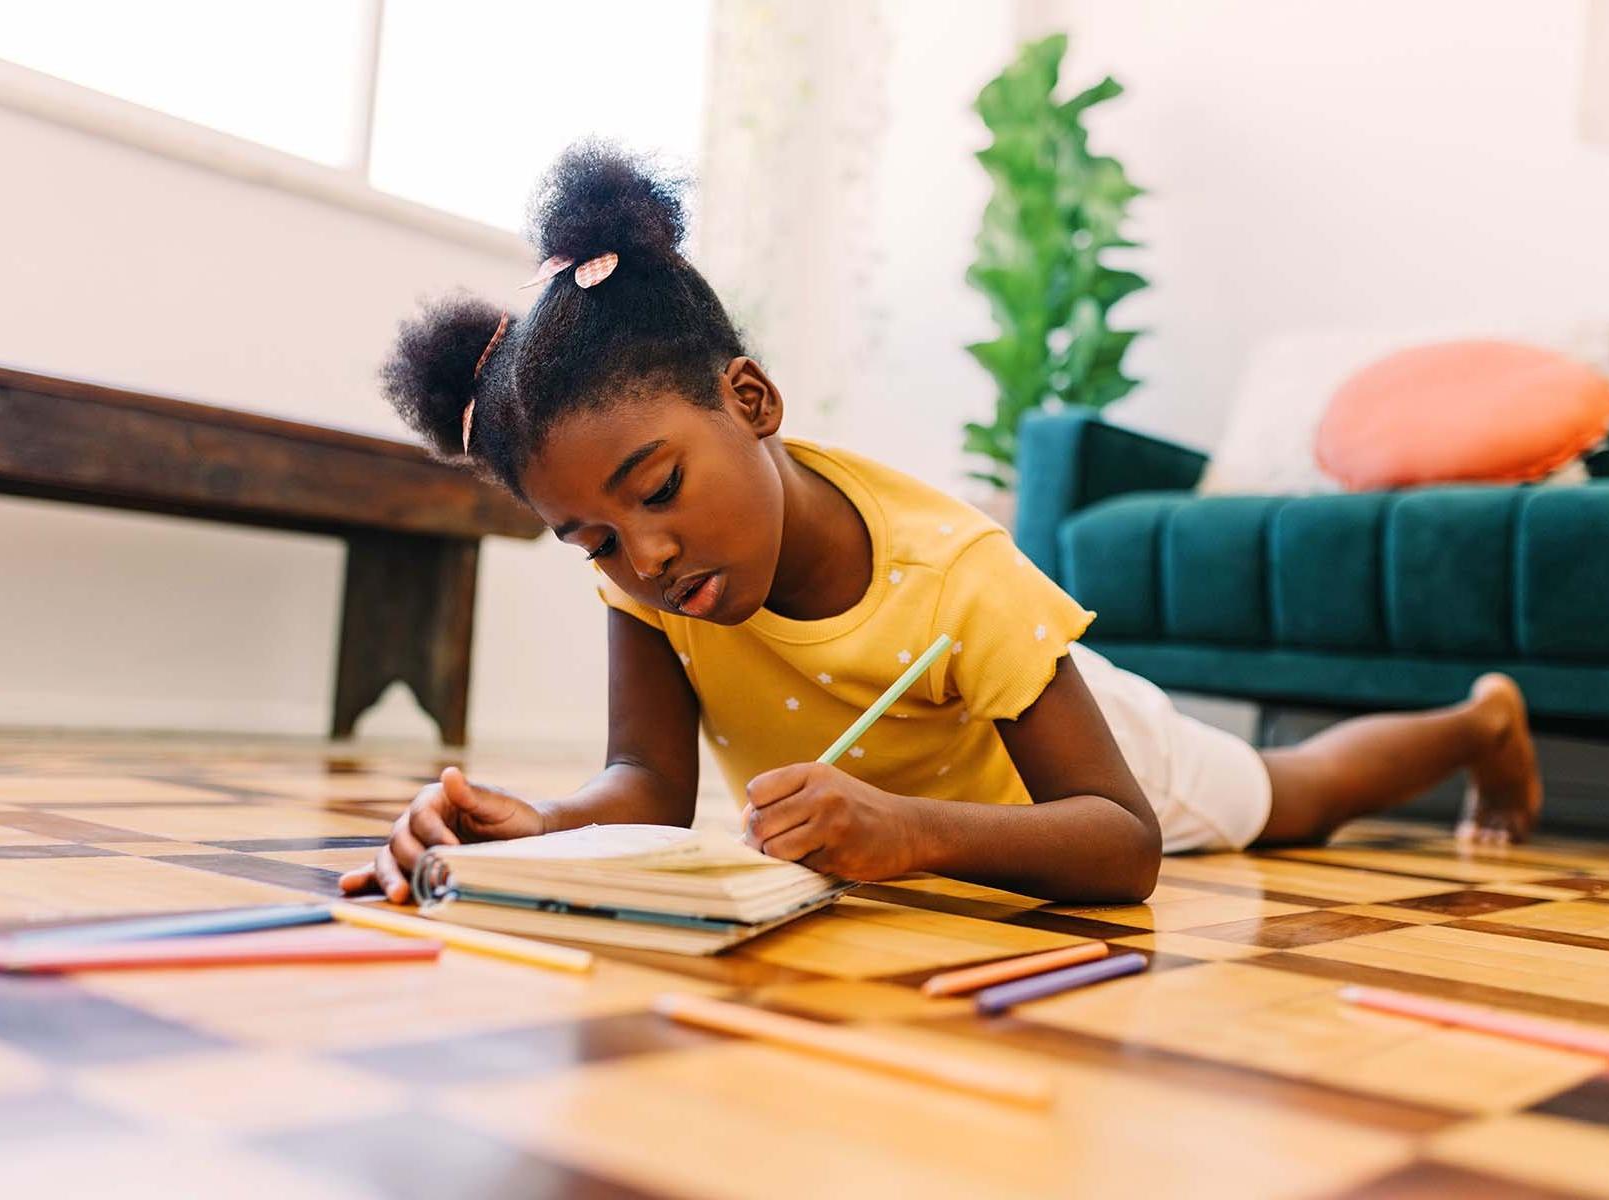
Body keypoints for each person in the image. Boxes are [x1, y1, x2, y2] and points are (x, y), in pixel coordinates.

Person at [341, 142, 1540, 908]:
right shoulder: (650, 582)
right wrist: (538, 825)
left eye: (656, 491)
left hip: (1083, 772)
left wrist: (909, 831)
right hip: (921, 811)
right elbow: (649, 783)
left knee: (1291, 796)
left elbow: (1121, 848)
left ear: (750, 402)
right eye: (592, 539)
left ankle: (1477, 720)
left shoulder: (958, 572)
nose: (641, 556)